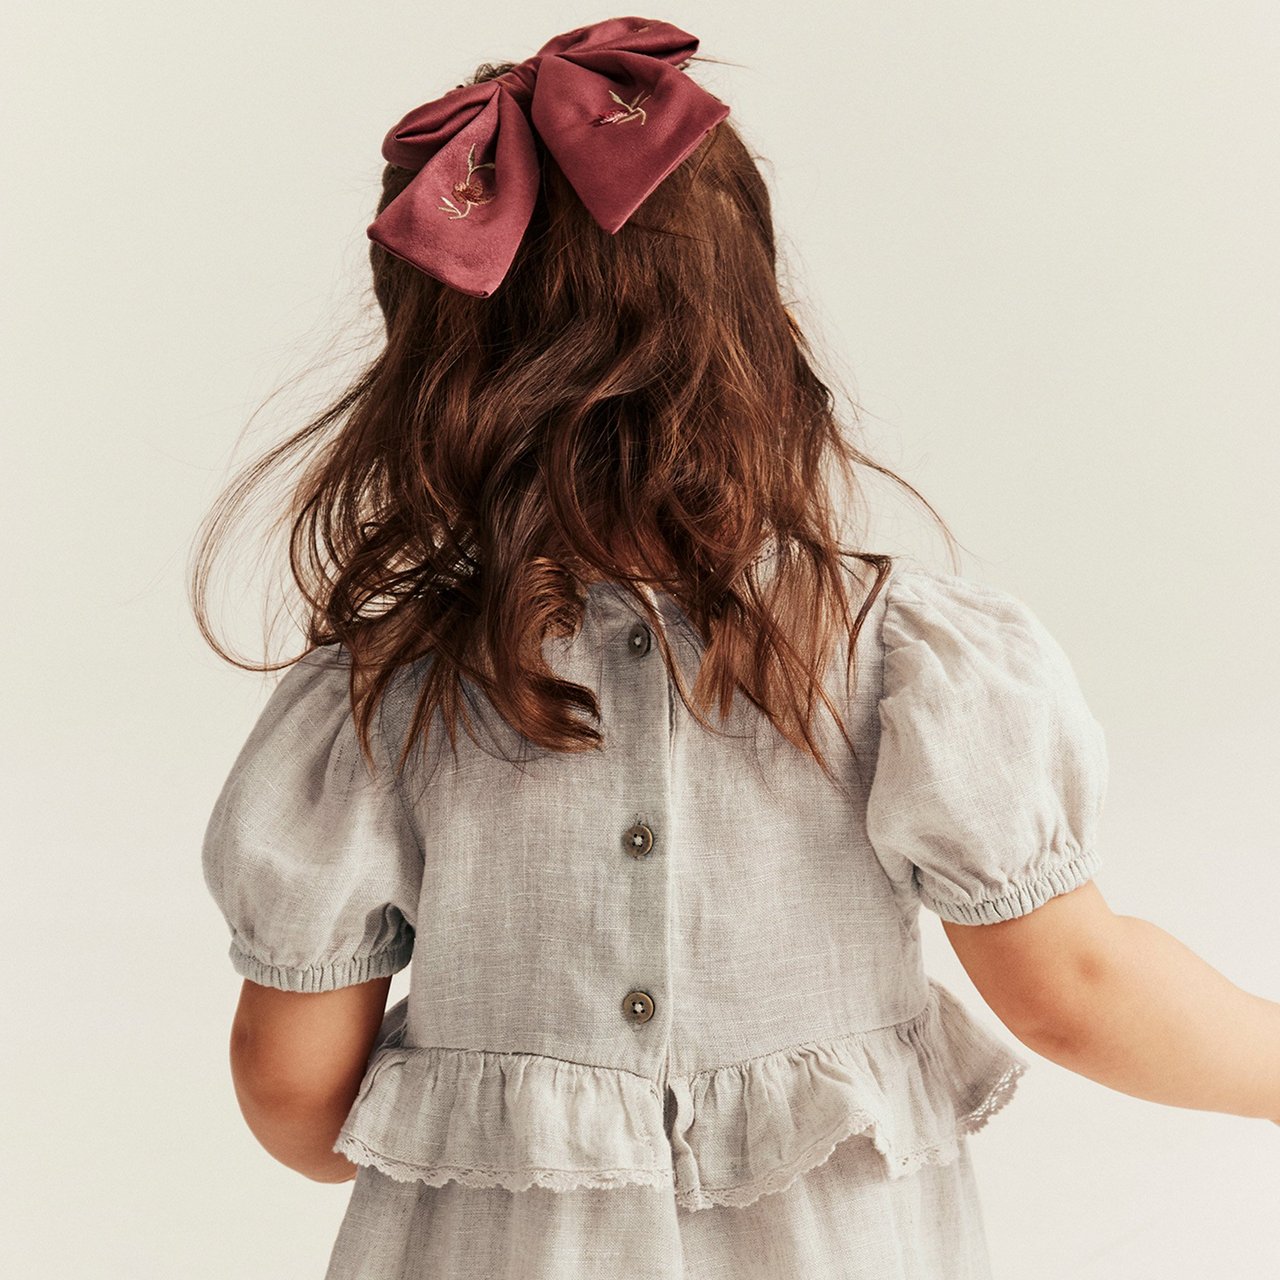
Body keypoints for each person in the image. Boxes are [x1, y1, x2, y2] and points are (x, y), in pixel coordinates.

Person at [192, 16, 1280, 1280]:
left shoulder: (384, 699)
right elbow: (1073, 985)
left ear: (434, 370)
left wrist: (473, 1124)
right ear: (754, 329)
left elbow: (292, 1092)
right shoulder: (895, 659)